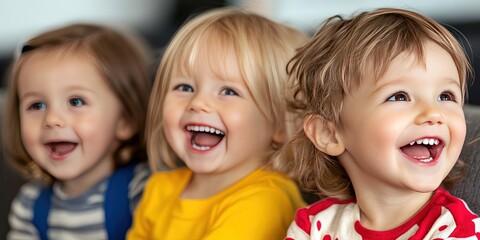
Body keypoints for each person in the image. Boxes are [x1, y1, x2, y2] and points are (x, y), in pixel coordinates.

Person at [284, 8, 480, 239]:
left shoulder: (457, 230)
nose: (433, 113)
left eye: (446, 96)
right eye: (399, 96)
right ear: (329, 134)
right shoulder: (312, 226)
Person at [127, 7, 308, 240]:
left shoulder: (264, 200)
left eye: (228, 91)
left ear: (279, 125)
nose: (198, 102)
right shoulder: (160, 188)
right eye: (185, 87)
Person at [5, 23, 152, 240]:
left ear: (125, 120)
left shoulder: (143, 190)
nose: (52, 120)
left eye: (76, 101)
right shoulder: (30, 206)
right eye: (37, 105)